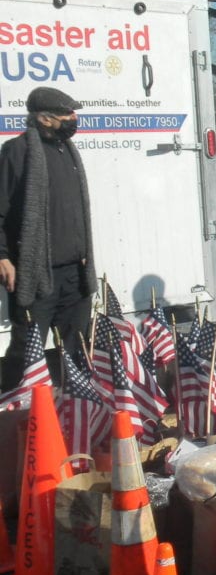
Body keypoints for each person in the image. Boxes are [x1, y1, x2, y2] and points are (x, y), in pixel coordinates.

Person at [0, 86, 97, 391]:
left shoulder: (66, 150)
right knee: (25, 353)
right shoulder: (18, 152)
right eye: (67, 113)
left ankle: (76, 411)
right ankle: (11, 409)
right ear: (44, 118)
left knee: (77, 349)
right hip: (38, 276)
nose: (73, 118)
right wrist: (3, 256)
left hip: (75, 275)